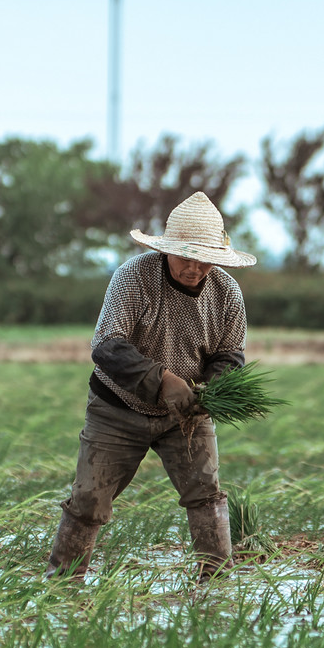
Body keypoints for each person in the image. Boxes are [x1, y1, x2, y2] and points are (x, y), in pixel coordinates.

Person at [46, 192, 255, 581]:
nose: (194, 268)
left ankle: (217, 582)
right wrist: (161, 382)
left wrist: (207, 392)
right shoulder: (134, 277)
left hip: (186, 415)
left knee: (206, 494)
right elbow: (107, 345)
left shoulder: (227, 294)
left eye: (204, 259)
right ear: (167, 250)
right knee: (89, 499)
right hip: (117, 408)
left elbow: (230, 356)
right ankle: (63, 582)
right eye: (185, 257)